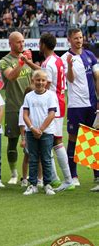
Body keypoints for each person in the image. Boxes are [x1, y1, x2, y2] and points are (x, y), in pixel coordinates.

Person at [60, 29, 99, 190]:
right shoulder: (65, 58)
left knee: (92, 139)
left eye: (81, 37)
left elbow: (97, 78)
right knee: (74, 139)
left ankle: (97, 176)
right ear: (69, 39)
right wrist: (69, 66)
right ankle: (73, 176)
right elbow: (70, 79)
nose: (79, 40)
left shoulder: (90, 55)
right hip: (76, 105)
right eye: (76, 38)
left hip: (91, 104)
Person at [37, 33, 74, 192]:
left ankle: (64, 179)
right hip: (60, 100)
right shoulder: (58, 60)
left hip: (52, 104)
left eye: (40, 43)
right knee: (54, 141)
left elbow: (45, 83)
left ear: (43, 44)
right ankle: (58, 178)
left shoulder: (47, 63)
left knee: (52, 141)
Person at [0, 31, 34, 185]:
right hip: (14, 106)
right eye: (18, 42)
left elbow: (35, 77)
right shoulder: (4, 61)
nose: (22, 44)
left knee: (33, 141)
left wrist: (28, 61)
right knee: (13, 141)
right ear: (11, 44)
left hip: (30, 106)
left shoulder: (27, 59)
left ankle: (31, 176)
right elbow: (11, 76)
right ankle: (14, 173)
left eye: (23, 41)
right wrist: (21, 62)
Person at [22, 70, 57, 196]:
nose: (40, 82)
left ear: (46, 82)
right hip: (31, 132)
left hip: (46, 132)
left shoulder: (51, 95)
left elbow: (51, 114)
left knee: (46, 158)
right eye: (38, 80)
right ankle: (33, 184)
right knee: (33, 158)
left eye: (43, 80)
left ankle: (47, 184)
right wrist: (32, 128)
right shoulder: (29, 96)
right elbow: (25, 114)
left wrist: (41, 129)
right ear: (33, 80)